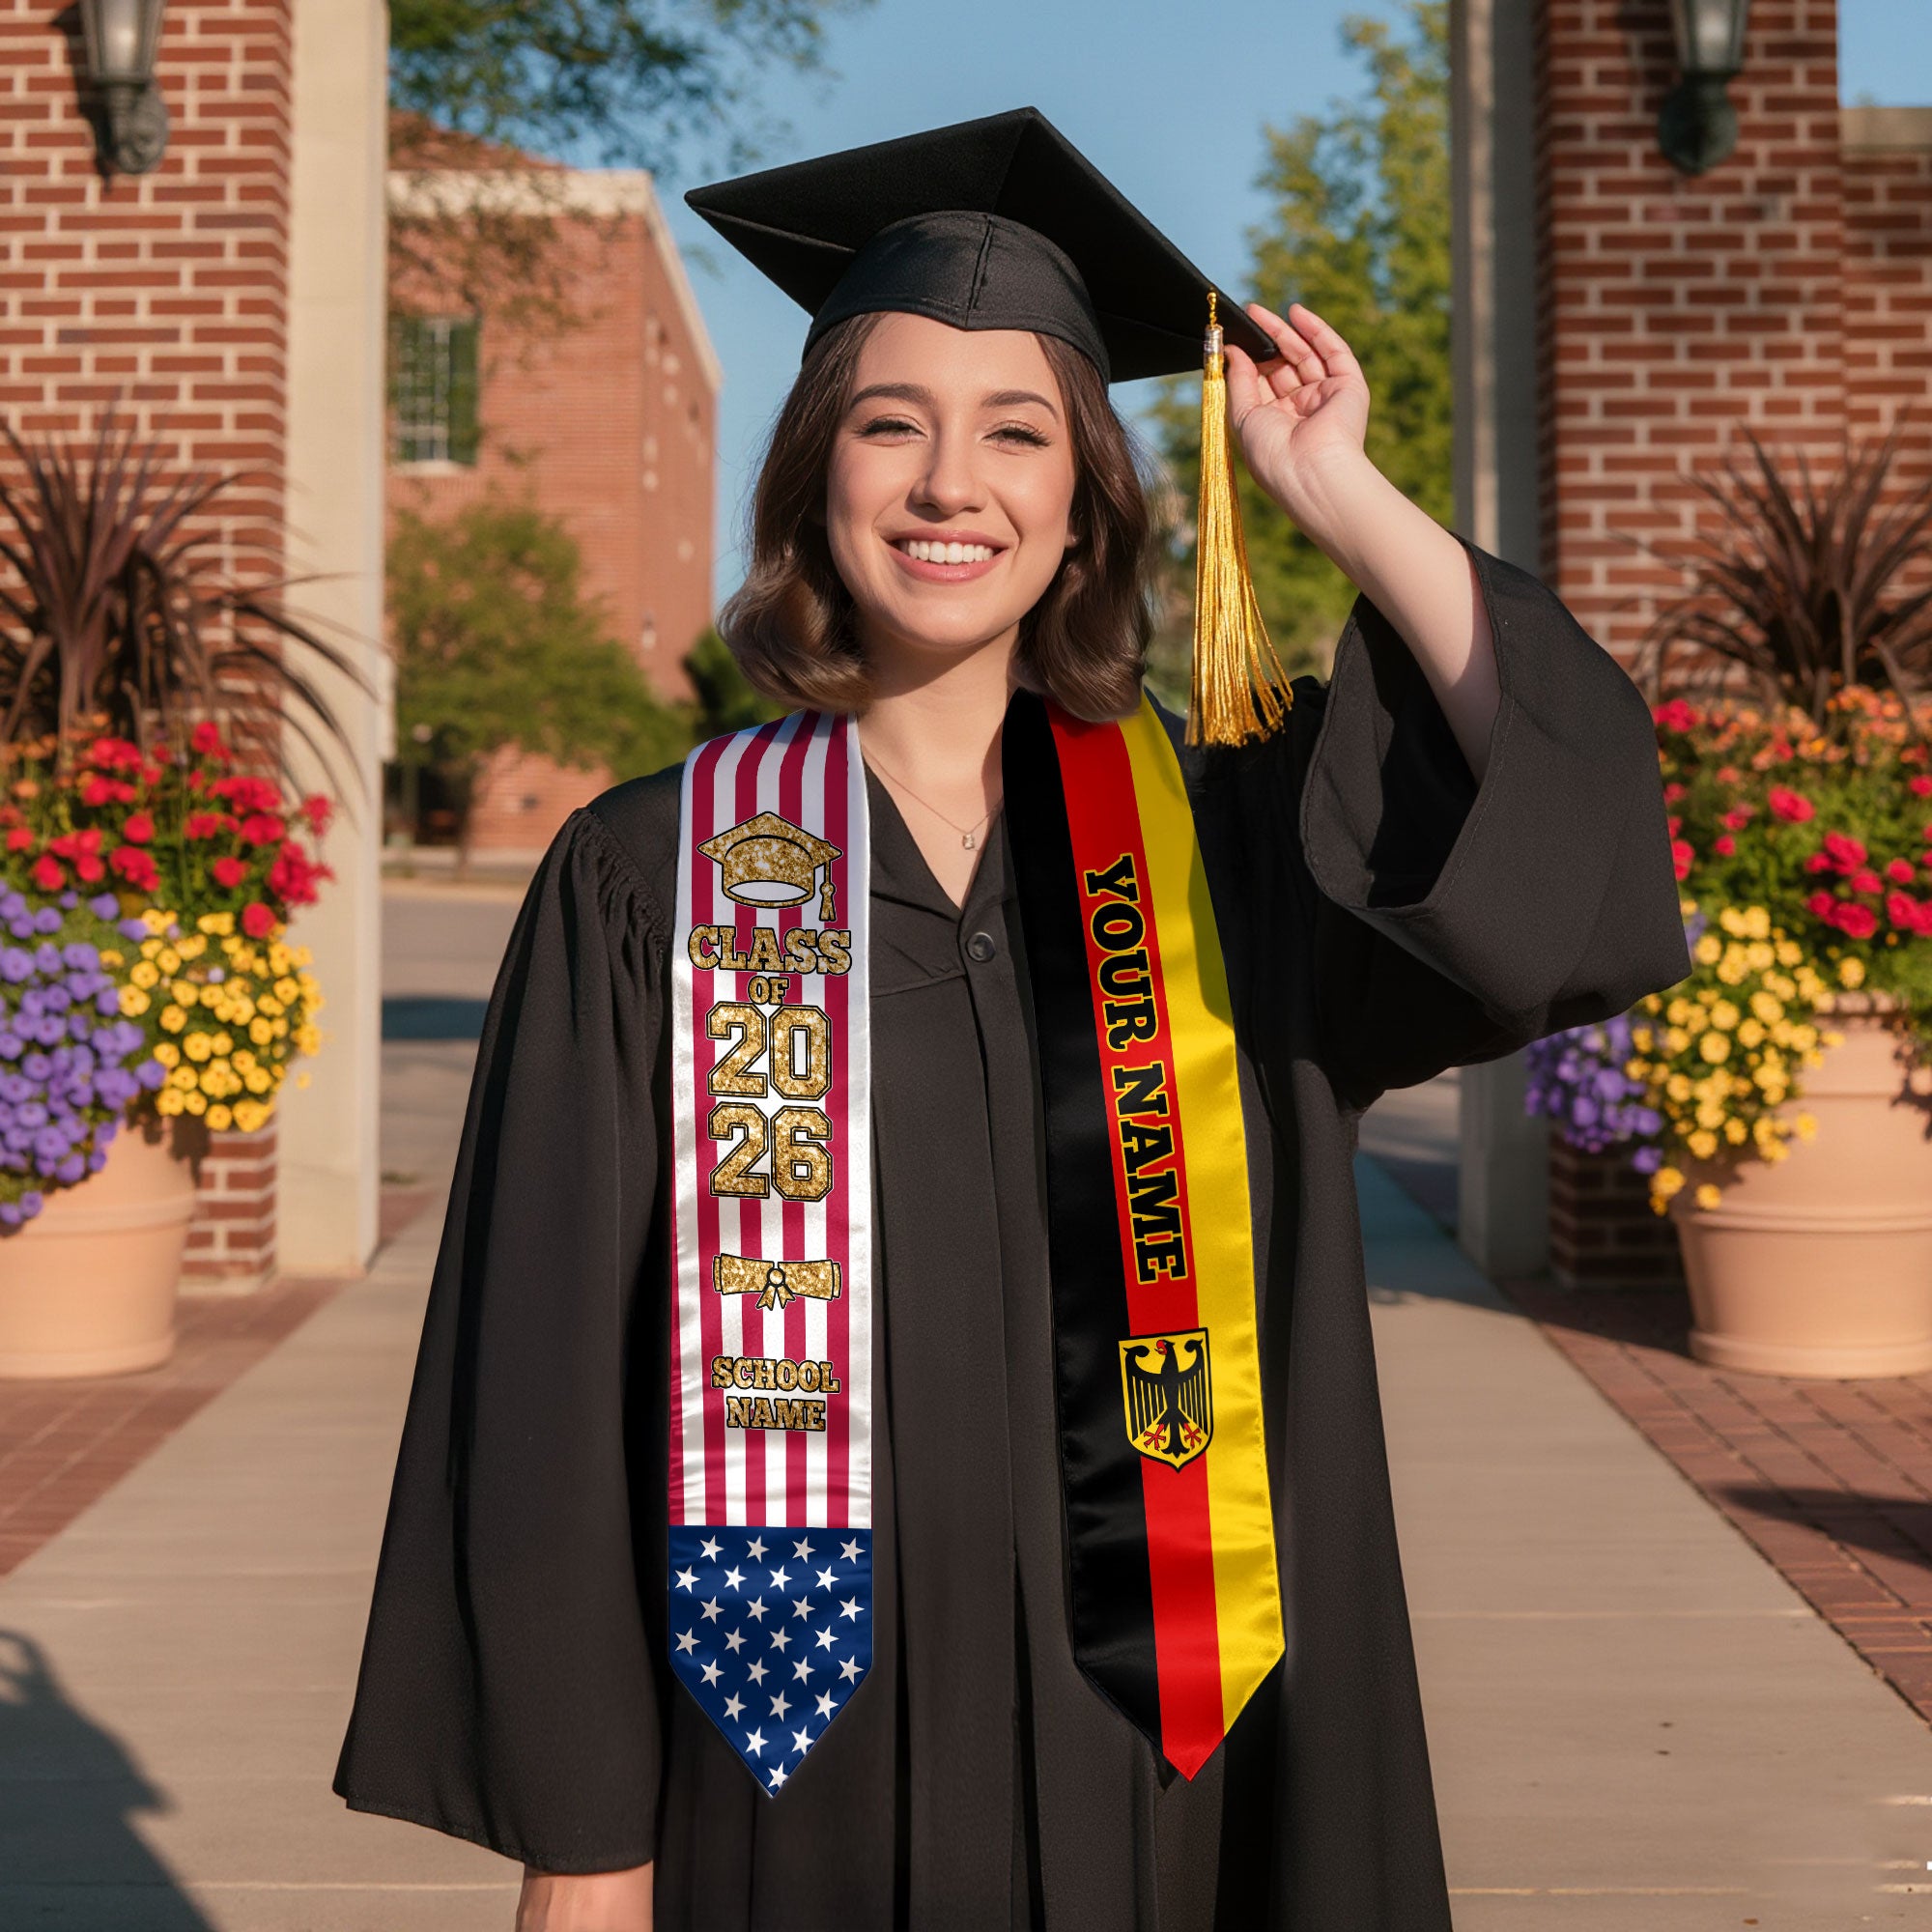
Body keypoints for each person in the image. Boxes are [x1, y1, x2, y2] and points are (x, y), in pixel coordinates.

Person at [333, 108, 1690, 1932]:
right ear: (816, 472)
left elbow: (1563, 833)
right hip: (783, 1773)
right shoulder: (651, 876)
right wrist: (583, 1844)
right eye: (892, 424)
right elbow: (547, 1379)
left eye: (1017, 432)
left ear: (1084, 502)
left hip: (1179, 1768)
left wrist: (1336, 491)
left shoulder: (1235, 848)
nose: (949, 485)